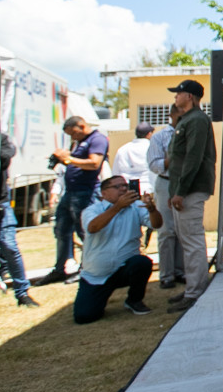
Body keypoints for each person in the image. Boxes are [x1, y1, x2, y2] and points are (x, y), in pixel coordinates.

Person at [73, 174, 163, 323]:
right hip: (96, 275)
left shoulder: (136, 207)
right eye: (117, 187)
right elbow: (93, 227)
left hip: (124, 269)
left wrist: (152, 209)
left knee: (142, 263)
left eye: (125, 186)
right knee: (84, 316)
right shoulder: (92, 210)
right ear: (104, 193)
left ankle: (134, 300)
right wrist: (117, 207)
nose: (123, 189)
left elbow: (157, 224)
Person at [164, 79, 215, 314]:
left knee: (192, 241)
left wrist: (181, 190)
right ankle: (192, 288)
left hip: (191, 189)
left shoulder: (196, 120)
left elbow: (193, 157)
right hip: (183, 190)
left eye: (179, 93)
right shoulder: (187, 119)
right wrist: (175, 191)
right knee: (187, 241)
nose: (176, 96)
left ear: (190, 96)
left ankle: (196, 292)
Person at [39, 115, 109, 284]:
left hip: (86, 191)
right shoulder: (79, 142)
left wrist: (69, 159)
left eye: (73, 133)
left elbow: (94, 163)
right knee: (61, 230)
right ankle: (59, 269)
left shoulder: (97, 139)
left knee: (84, 231)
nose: (73, 137)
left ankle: (87, 268)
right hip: (70, 191)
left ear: (81, 126)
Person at [146, 105, 184, 289]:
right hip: (166, 182)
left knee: (183, 229)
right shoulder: (160, 137)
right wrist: (172, 158)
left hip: (185, 183)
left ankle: (181, 270)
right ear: (172, 115)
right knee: (166, 230)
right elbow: (154, 164)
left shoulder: (190, 134)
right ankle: (167, 274)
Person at [0, 132, 37, 307]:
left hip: (1, 204)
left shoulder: (2, 139)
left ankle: (22, 293)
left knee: (9, 246)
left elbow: (6, 156)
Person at [113, 122, 154, 197]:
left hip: (126, 191)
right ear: (149, 134)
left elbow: (116, 172)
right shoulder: (152, 148)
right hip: (148, 189)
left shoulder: (123, 149)